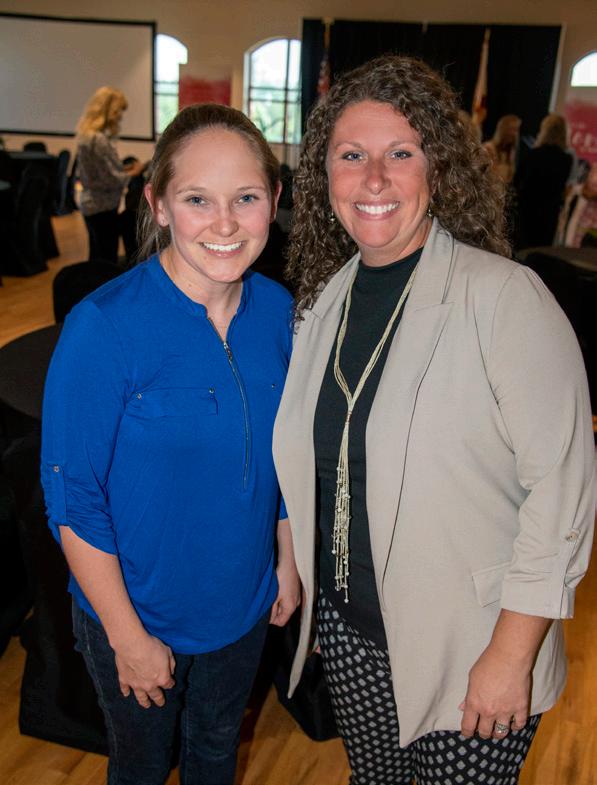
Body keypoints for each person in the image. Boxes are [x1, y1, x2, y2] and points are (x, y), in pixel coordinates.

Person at [272, 55, 595, 785]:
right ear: (324, 176)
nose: (373, 179)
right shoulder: (321, 305)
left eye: (400, 153)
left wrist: (510, 656)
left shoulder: (504, 298)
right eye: (350, 156)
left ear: (439, 170)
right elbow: (325, 468)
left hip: (472, 645)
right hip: (352, 634)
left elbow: (562, 491)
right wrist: (323, 596)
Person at [41, 103, 300, 785]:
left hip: (242, 602)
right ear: (158, 205)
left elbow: (281, 454)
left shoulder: (278, 313)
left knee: (216, 751)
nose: (225, 223)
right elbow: (72, 500)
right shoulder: (104, 327)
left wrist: (286, 557)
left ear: (274, 201)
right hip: (138, 611)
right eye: (197, 199)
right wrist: (127, 637)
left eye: (246, 198)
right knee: (142, 766)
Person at [75, 86, 145, 263]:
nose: (120, 116)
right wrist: (135, 172)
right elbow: (111, 180)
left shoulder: (87, 137)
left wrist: (125, 169)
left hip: (91, 203)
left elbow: (98, 173)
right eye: (119, 111)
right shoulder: (99, 140)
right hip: (102, 206)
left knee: (96, 256)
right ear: (110, 110)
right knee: (106, 259)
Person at [514, 114, 573, 248]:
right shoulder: (566, 160)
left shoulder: (533, 155)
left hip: (527, 212)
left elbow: (516, 182)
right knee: (540, 252)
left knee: (522, 251)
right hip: (549, 215)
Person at [483, 113, 521, 184]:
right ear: (503, 129)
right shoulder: (488, 148)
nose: (515, 134)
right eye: (512, 129)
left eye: (517, 130)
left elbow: (509, 177)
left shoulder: (511, 151)